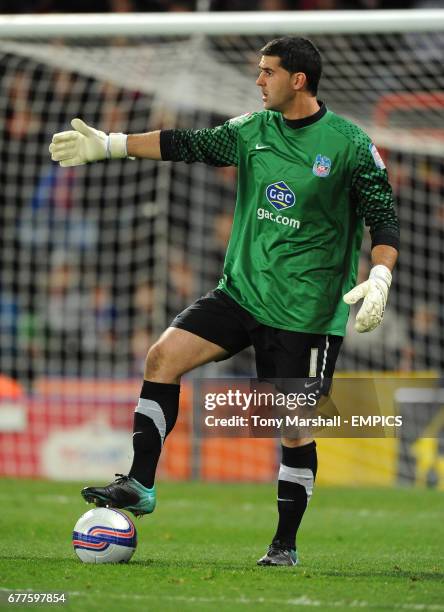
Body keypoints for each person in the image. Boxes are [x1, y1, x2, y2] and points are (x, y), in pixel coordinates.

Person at [49, 37, 399, 567]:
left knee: (293, 428)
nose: (258, 81)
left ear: (298, 80)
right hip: (241, 293)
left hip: (305, 313)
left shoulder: (349, 144)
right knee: (162, 358)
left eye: (268, 72)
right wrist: (112, 144)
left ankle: (284, 545)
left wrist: (380, 273)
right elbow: (188, 143)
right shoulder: (251, 131)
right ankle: (141, 484)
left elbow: (384, 217)